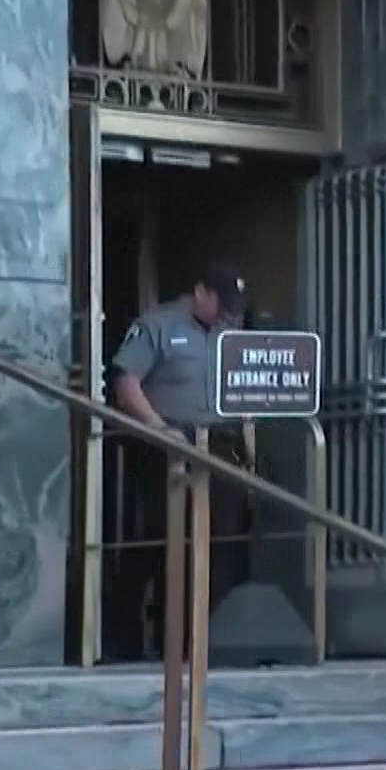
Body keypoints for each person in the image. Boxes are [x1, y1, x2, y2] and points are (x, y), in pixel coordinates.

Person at [105, 264, 253, 661]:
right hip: (168, 443)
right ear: (200, 291)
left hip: (219, 443)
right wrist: (159, 429)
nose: (226, 315)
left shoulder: (229, 331)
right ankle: (129, 641)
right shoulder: (158, 325)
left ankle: (201, 642)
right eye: (221, 304)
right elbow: (126, 383)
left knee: (223, 539)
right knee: (158, 539)